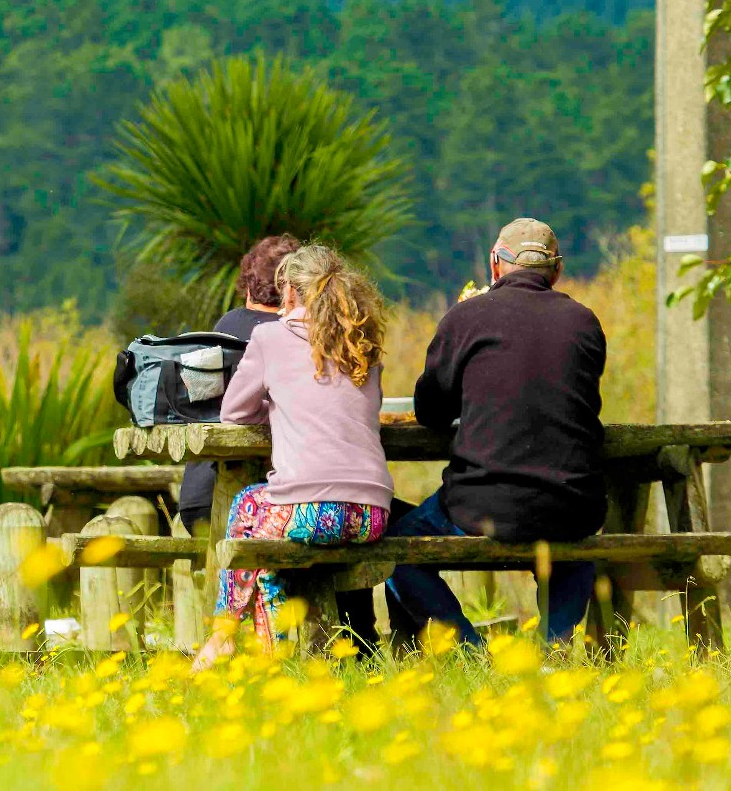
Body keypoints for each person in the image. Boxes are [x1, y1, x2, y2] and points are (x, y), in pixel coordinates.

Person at [384, 218, 607, 644]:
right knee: (576, 549)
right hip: (573, 502)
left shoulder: (466, 317)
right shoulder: (584, 322)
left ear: (495, 264)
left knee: (396, 551)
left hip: (482, 503)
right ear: (556, 271)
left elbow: (430, 411)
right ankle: (552, 648)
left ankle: (470, 651)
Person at [195, 246, 393, 660]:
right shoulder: (364, 341)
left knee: (247, 511)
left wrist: (276, 401)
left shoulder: (270, 336)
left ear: (288, 294)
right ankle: (248, 648)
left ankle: (239, 643)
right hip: (371, 515)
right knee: (262, 543)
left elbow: (233, 413)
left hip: (310, 510)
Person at [175, 233, 298, 534]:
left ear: (248, 285)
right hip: (248, 500)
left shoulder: (227, 326)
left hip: (198, 496)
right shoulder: (293, 335)